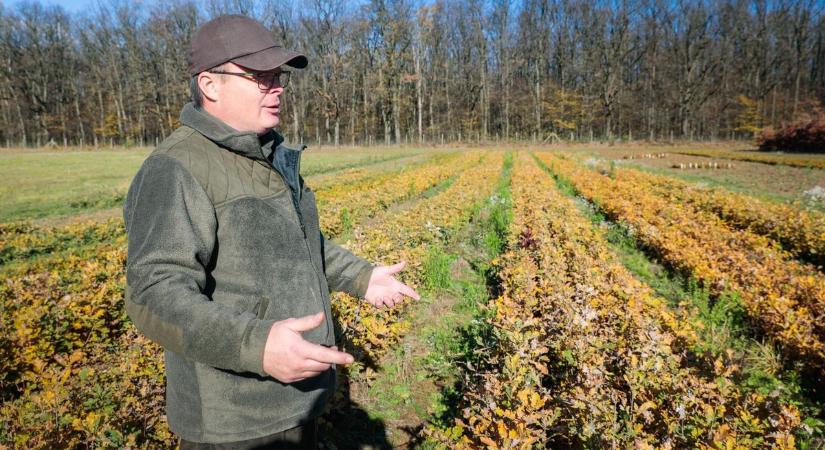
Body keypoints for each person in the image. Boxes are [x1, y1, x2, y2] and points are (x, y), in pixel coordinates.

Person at [123, 14, 420, 449]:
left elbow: (296, 243)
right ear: (210, 84)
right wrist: (257, 345)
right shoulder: (176, 168)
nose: (276, 87)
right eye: (259, 77)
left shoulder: (268, 152)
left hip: (297, 399)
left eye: (277, 76)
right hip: (236, 419)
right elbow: (153, 293)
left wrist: (361, 277)